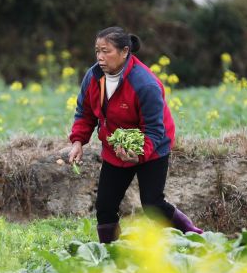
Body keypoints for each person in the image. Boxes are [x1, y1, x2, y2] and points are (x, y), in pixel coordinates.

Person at [67, 26, 203, 244]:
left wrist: (138, 155)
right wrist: (78, 141)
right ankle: (110, 253)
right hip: (115, 148)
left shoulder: (145, 84)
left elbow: (154, 129)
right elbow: (85, 112)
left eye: (106, 51)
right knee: (105, 207)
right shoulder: (93, 77)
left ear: (125, 52)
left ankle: (193, 237)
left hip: (152, 146)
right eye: (97, 51)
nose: (100, 57)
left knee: (152, 205)